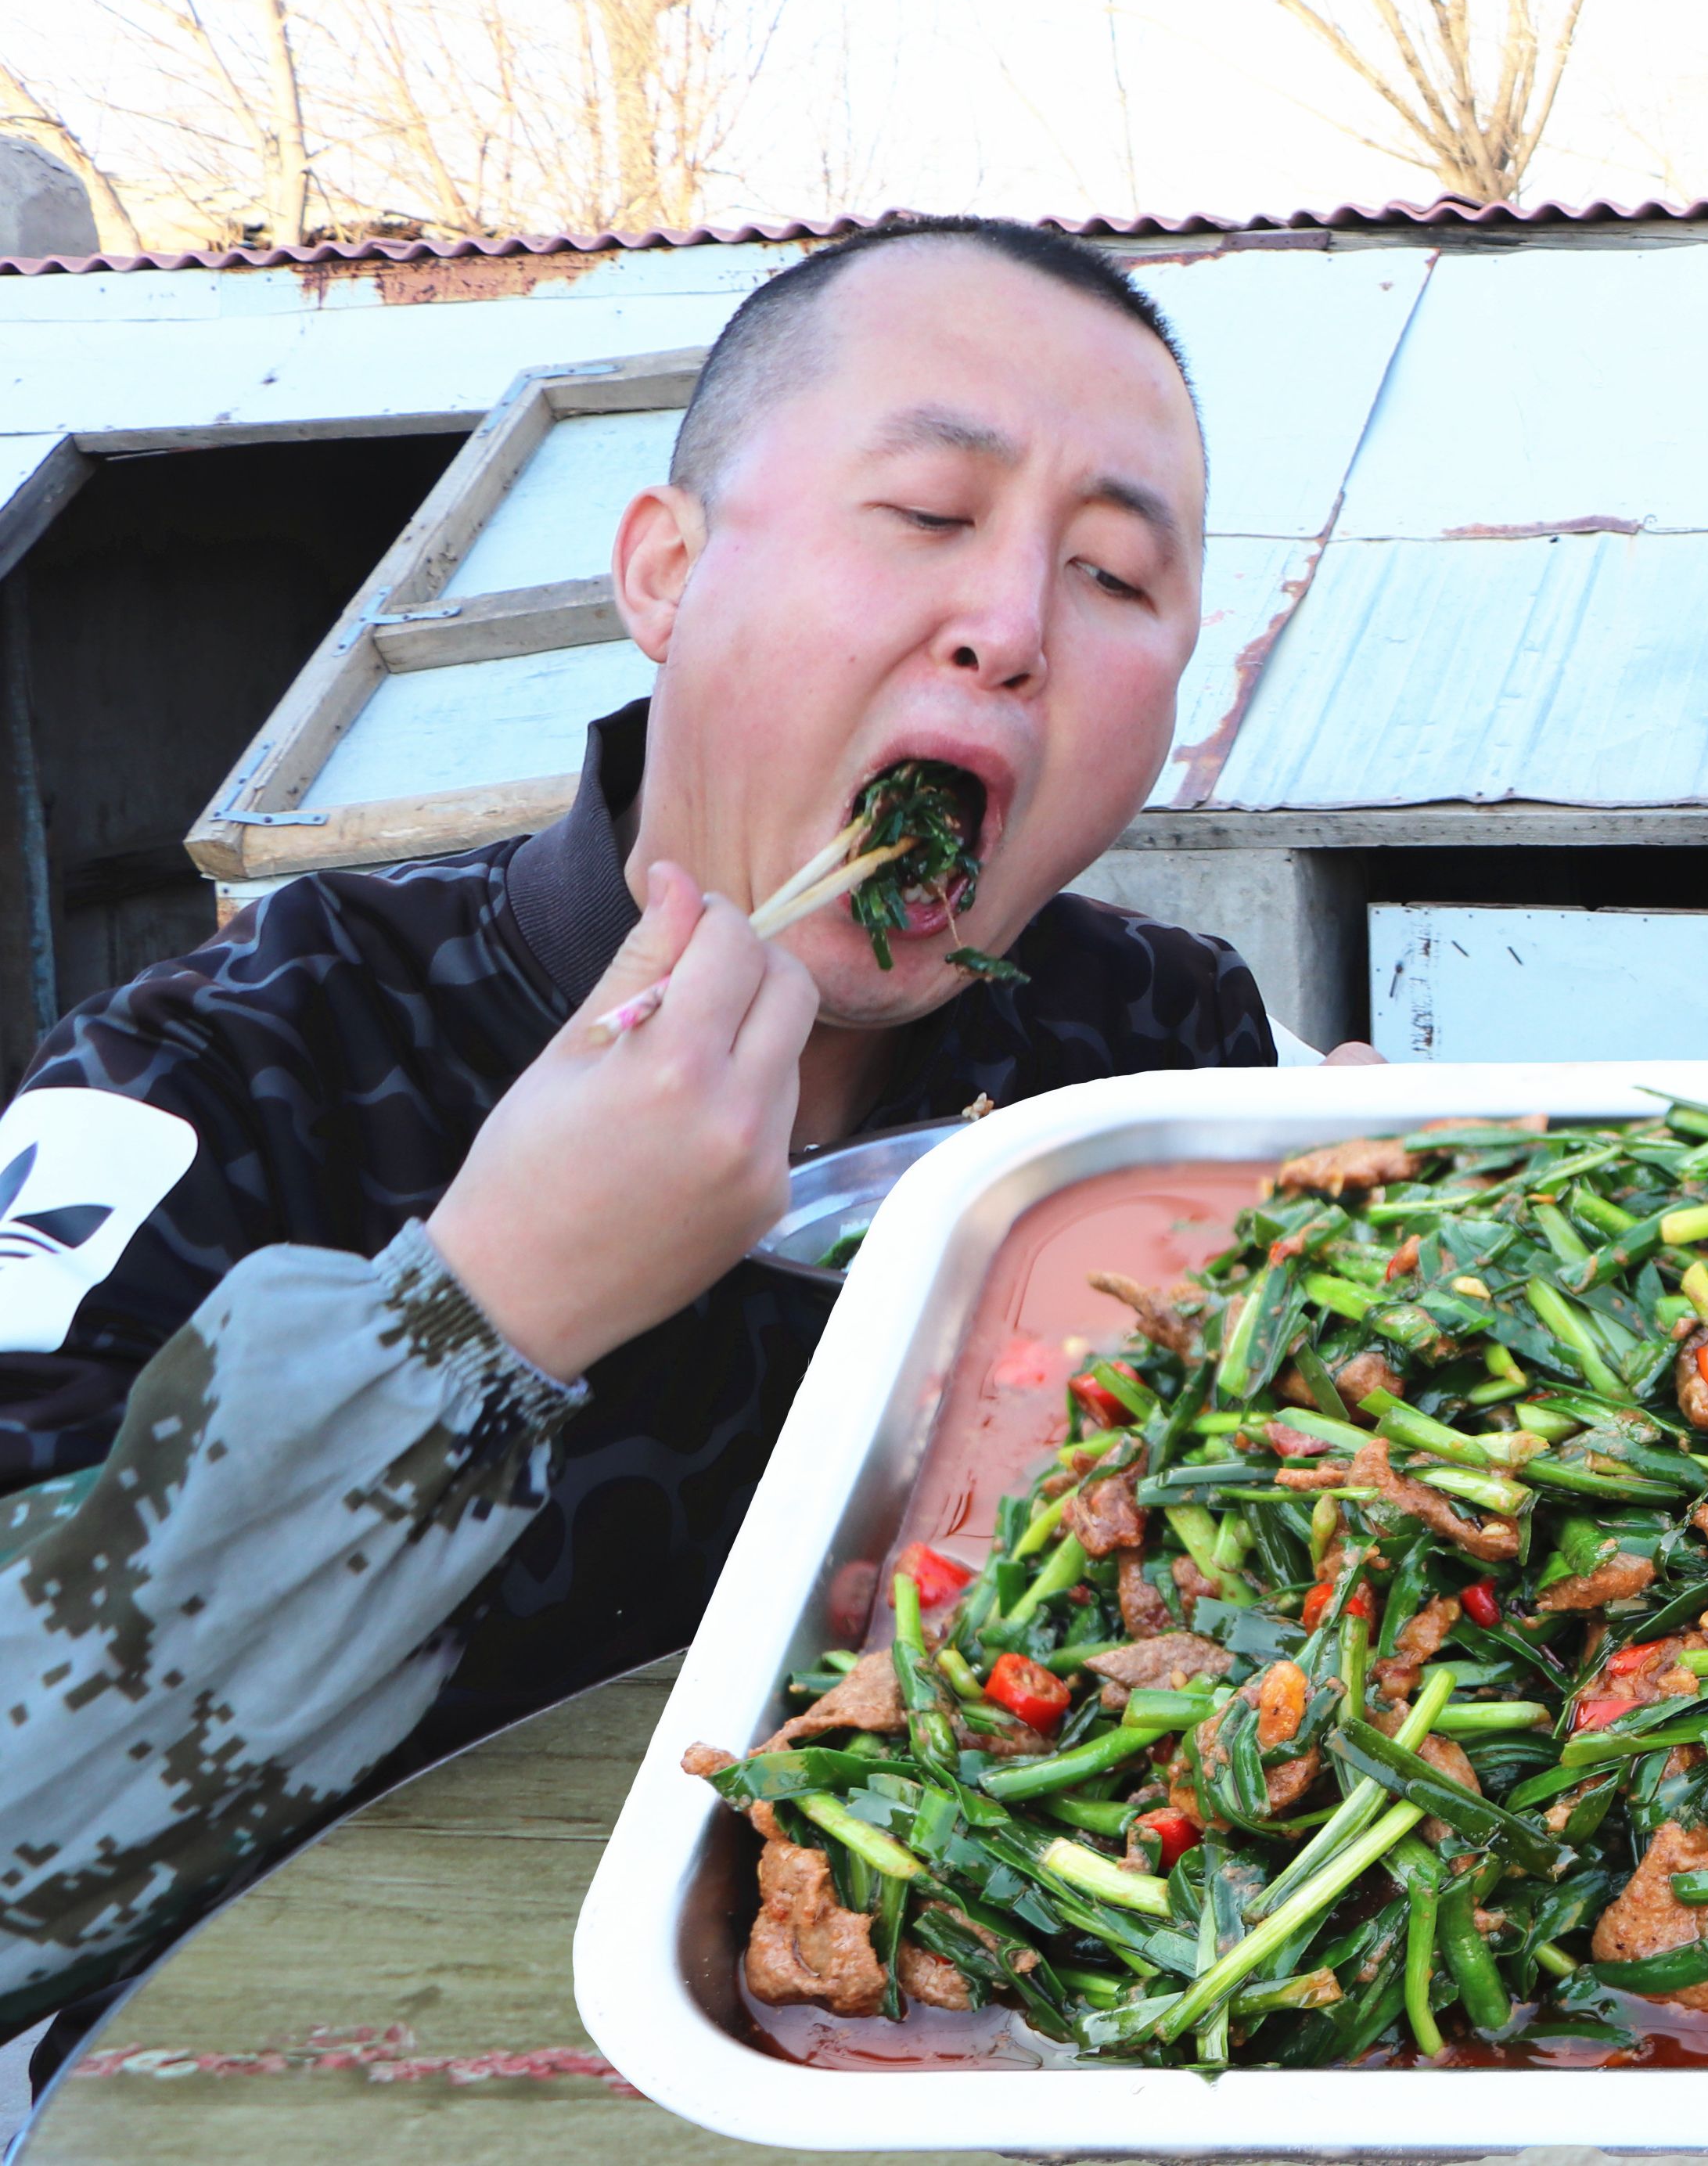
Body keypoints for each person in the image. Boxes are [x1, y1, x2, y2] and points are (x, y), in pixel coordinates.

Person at [0, 216, 1288, 2050]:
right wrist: (478, 1313)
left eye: (1112, 574)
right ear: (668, 573)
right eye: (929, 514)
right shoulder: (226, 1074)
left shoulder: (1155, 1057)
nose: (1009, 625)